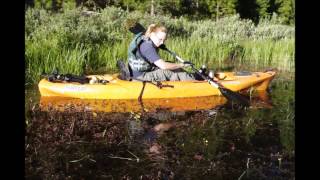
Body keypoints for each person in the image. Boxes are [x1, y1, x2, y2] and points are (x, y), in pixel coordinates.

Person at [128, 24, 196, 82]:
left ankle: (192, 77)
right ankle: (194, 83)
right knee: (168, 72)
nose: (162, 43)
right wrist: (182, 65)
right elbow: (163, 66)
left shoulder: (147, 40)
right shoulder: (147, 47)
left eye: (164, 40)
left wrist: (179, 66)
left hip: (145, 71)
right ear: (152, 34)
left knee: (174, 67)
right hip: (140, 77)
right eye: (160, 39)